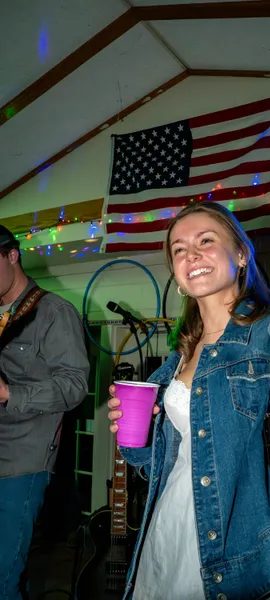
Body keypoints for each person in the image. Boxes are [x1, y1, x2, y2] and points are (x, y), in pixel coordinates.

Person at [108, 202, 270, 600]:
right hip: (170, 533)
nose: (191, 255)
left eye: (206, 241)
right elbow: (160, 464)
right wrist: (134, 432)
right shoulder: (178, 357)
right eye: (179, 249)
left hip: (252, 552)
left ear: (241, 255)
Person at [0, 224, 90, 600]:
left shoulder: (54, 312)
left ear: (12, 255)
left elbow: (74, 387)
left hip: (21, 463)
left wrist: (9, 393)